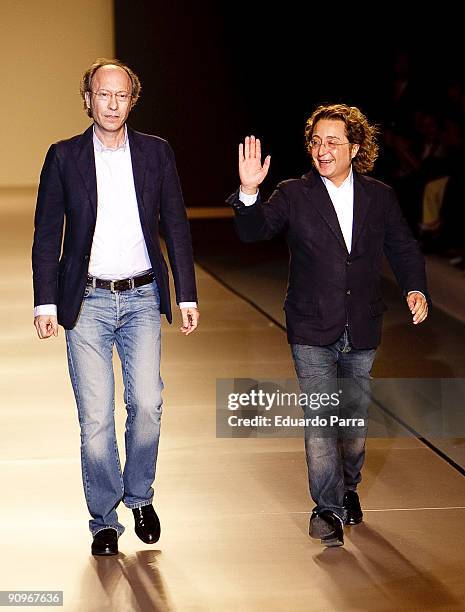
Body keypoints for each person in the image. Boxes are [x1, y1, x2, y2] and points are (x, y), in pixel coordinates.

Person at [228, 104, 429, 547]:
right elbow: (254, 231)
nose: (322, 149)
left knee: (353, 426)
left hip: (362, 326)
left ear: (354, 148)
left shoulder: (379, 196)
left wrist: (415, 288)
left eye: (333, 141)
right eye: (316, 141)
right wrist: (247, 193)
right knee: (321, 420)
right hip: (310, 326)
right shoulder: (293, 194)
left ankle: (349, 489)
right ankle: (327, 509)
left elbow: (403, 247)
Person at [32, 58, 199, 556]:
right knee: (97, 419)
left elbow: (176, 225)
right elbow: (46, 236)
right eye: (102, 94)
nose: (111, 103)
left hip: (144, 296)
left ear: (132, 100)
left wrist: (185, 293)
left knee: (147, 405)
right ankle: (104, 519)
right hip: (86, 302)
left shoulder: (156, 153)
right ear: (87, 99)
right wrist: (45, 301)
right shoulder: (64, 157)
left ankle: (140, 494)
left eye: (120, 95)